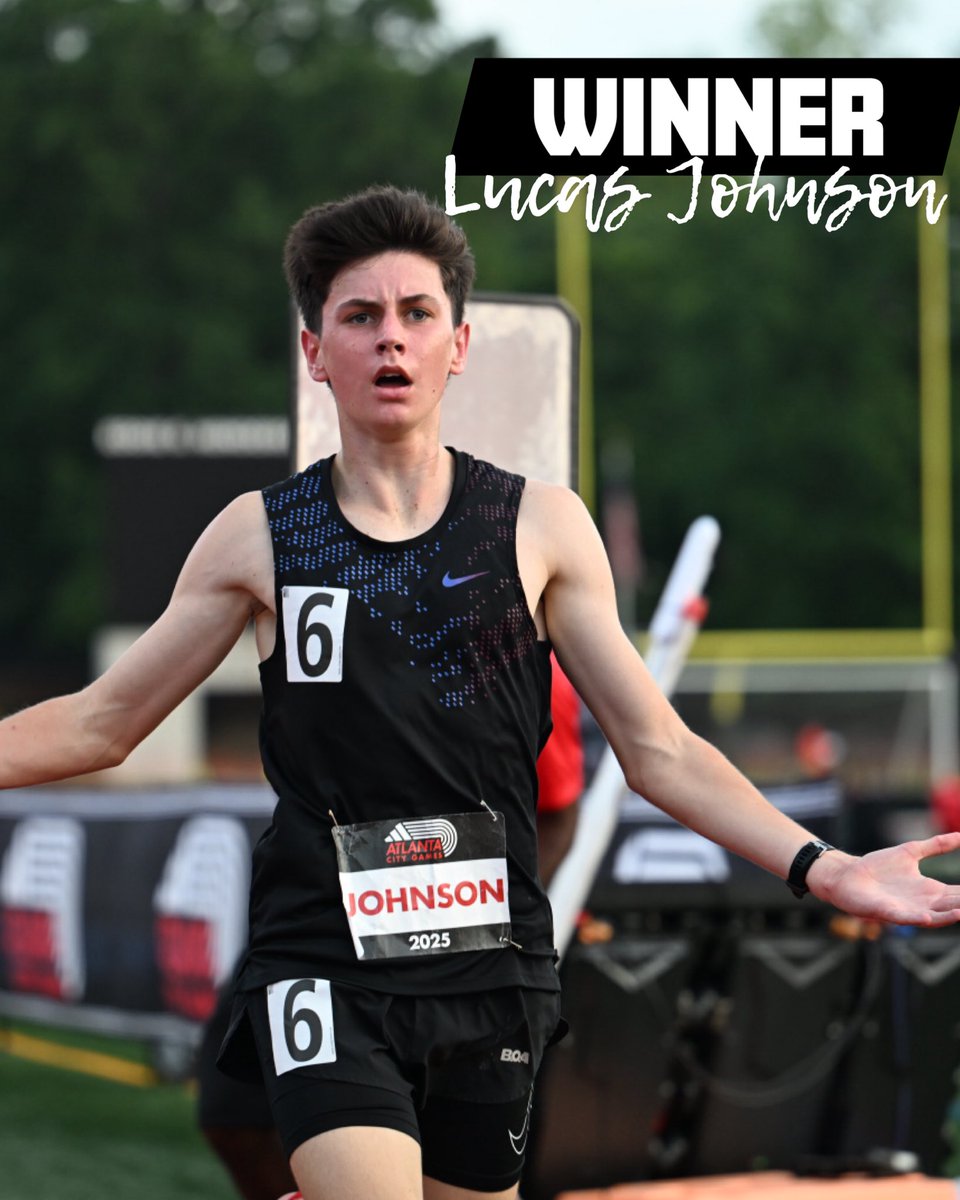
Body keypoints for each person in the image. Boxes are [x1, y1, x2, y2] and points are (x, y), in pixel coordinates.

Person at [3, 185, 960, 1200]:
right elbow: (104, 723)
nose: (391, 341)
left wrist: (826, 869)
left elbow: (660, 752)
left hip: (491, 967)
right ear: (313, 351)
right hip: (325, 960)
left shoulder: (541, 527)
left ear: (457, 346)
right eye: (359, 317)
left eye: (417, 315)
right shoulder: (260, 536)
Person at [195, 655, 584, 1200]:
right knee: (231, 1107)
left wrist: (492, 905)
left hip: (468, 950)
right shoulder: (320, 586)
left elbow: (567, 807)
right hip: (330, 931)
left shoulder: (526, 649)